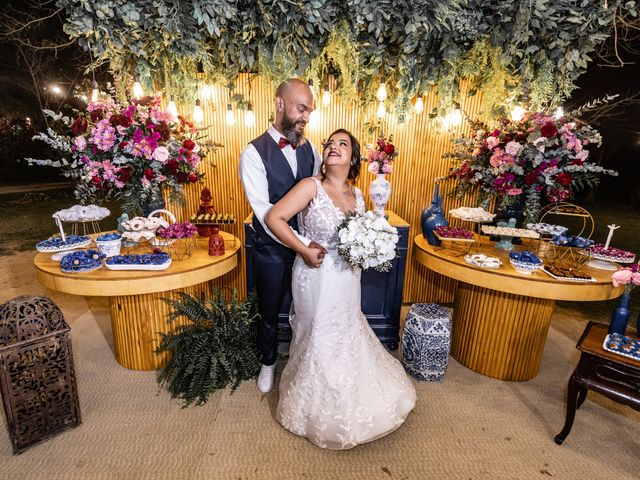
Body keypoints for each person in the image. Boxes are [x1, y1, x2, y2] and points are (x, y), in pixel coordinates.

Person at [265, 129, 416, 450]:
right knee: (317, 334)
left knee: (347, 331)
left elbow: (362, 236)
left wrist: (371, 248)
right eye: (330, 144)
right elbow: (274, 217)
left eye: (342, 144)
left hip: (349, 277)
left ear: (354, 158)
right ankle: (315, 404)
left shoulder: (359, 195)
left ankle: (349, 391)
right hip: (314, 274)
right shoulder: (310, 187)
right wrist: (303, 247)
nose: (333, 147)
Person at [239, 78, 327, 394]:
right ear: (279, 104)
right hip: (270, 249)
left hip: (305, 245)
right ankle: (268, 361)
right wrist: (301, 245)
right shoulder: (253, 153)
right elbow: (264, 212)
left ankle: (303, 360)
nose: (306, 117)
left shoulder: (311, 149)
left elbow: (319, 195)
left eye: (310, 111)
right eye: (301, 108)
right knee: (269, 309)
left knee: (306, 308)